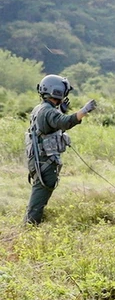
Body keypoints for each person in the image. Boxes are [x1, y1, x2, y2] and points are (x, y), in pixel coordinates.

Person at [24, 75, 97, 225]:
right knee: (39, 199)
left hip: (40, 160)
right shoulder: (48, 111)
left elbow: (53, 124)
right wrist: (84, 110)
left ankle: (31, 224)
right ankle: (30, 227)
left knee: (39, 196)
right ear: (57, 91)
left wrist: (60, 110)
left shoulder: (41, 108)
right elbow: (65, 123)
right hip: (45, 162)